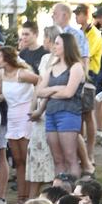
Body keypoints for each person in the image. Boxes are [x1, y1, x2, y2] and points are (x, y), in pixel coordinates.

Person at [0, 46, 38, 204]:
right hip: (12, 114)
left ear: (7, 59)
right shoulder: (1, 74)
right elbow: (2, 92)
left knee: (27, 157)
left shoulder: (22, 73)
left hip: (26, 113)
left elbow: (40, 81)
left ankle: (29, 197)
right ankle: (21, 197)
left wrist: (35, 103)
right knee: (17, 159)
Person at [38, 33, 85, 180]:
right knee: (57, 158)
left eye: (57, 43)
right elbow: (39, 91)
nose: (54, 46)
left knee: (70, 156)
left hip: (69, 113)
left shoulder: (76, 67)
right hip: (51, 114)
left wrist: (50, 92)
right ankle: (59, 193)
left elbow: (69, 93)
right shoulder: (52, 67)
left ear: (67, 46)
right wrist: (57, 89)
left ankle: (74, 193)